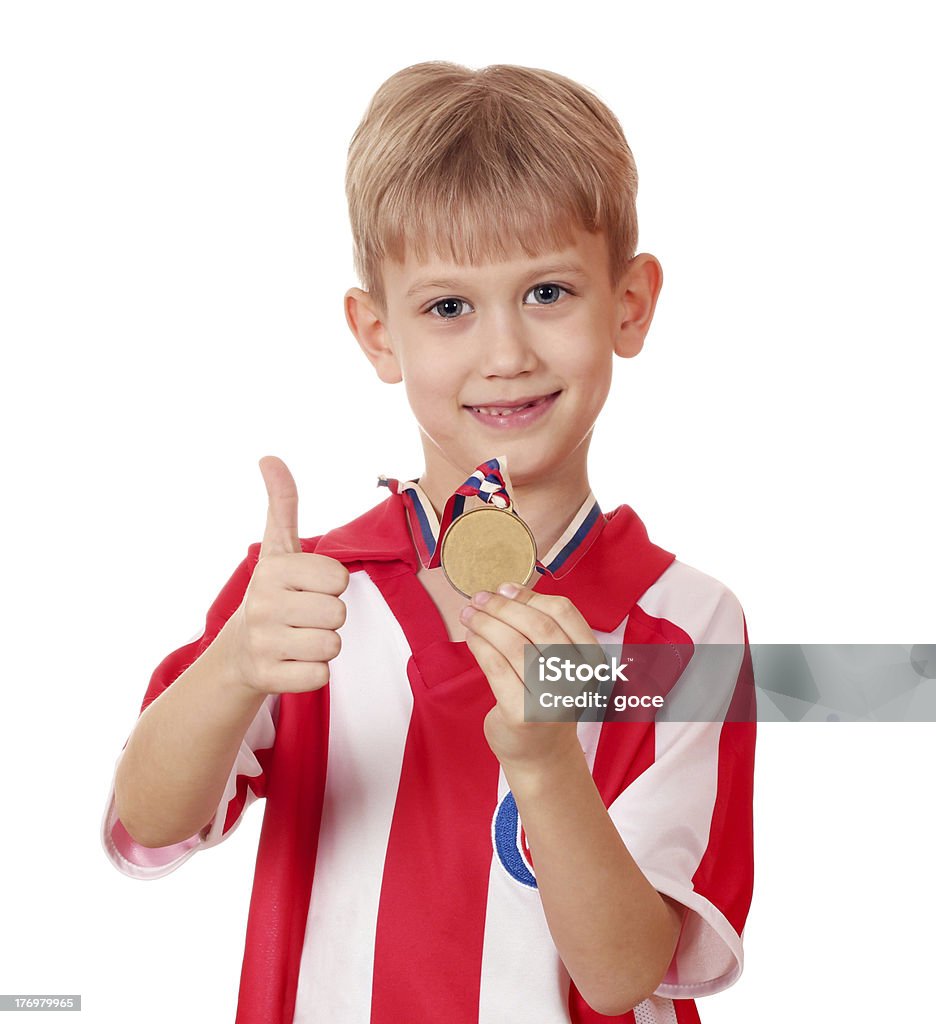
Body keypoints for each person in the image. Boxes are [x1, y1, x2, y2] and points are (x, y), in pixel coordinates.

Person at [101, 61, 756, 1024]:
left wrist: (544, 766)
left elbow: (622, 978)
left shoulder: (686, 629)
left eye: (547, 292)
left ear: (630, 303)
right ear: (377, 332)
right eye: (449, 306)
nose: (505, 354)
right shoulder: (301, 593)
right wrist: (236, 663)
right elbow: (148, 826)